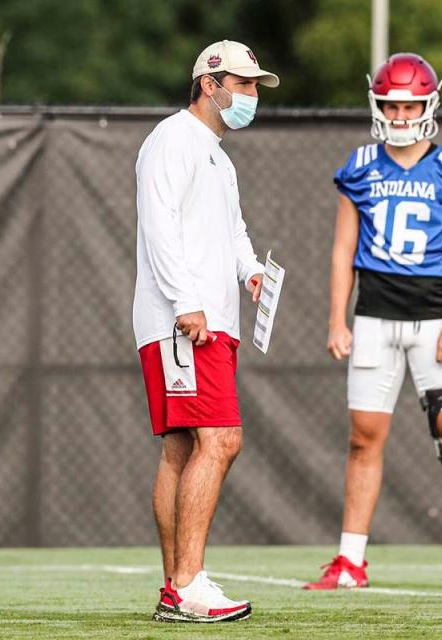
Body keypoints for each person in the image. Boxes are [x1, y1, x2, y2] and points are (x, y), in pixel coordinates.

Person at [304, 53, 442, 591]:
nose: (400, 113)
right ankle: (350, 560)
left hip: (435, 318)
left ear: (429, 103)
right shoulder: (362, 163)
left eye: (410, 103)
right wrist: (336, 320)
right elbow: (343, 249)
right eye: (391, 103)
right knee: (364, 437)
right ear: (377, 103)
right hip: (374, 316)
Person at [133, 40, 278, 623]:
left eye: (253, 86)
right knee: (221, 440)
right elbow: (158, 221)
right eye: (242, 85)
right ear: (209, 84)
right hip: (186, 322)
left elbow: (234, 230)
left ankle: (177, 587)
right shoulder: (173, 137)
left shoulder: (218, 154)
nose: (249, 96)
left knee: (183, 447)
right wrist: (187, 303)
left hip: (207, 319)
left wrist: (251, 271)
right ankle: (189, 584)